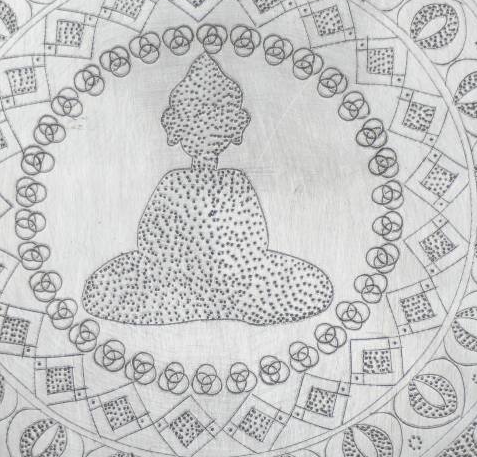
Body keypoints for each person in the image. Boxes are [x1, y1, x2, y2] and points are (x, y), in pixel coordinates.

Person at [83, 51, 333, 326]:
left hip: (225, 281)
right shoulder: (176, 182)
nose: (205, 128)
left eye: (215, 117)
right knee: (102, 289)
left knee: (313, 286)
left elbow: (251, 246)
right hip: (177, 281)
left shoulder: (231, 182)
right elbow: (152, 242)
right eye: (197, 117)